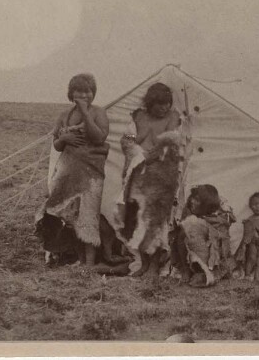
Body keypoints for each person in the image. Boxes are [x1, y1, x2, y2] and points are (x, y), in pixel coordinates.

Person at [35, 73, 109, 267]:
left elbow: (99, 137)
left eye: (89, 91)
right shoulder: (63, 116)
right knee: (69, 216)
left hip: (91, 174)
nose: (85, 95)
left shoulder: (99, 113)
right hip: (67, 173)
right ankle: (78, 258)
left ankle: (90, 264)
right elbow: (57, 146)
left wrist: (85, 112)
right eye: (80, 91)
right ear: (71, 93)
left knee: (88, 215)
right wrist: (64, 139)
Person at [116, 82, 182, 277]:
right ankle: (144, 264)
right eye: (159, 104)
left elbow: (170, 142)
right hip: (138, 175)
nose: (164, 108)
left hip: (160, 176)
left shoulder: (173, 117)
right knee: (138, 220)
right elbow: (127, 141)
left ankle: (154, 266)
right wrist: (138, 154)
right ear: (150, 103)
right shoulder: (138, 117)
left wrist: (150, 155)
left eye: (167, 103)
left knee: (155, 222)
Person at [171, 185, 236, 287]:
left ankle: (203, 272)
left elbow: (223, 246)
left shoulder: (219, 219)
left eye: (197, 200)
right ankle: (186, 269)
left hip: (212, 258)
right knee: (184, 231)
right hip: (191, 255)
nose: (192, 201)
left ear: (206, 205)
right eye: (193, 197)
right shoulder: (188, 211)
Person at [235, 191, 259, 281]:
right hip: (253, 243)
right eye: (254, 204)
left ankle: (257, 278)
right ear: (250, 206)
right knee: (251, 258)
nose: (257, 207)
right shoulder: (250, 219)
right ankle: (247, 275)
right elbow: (247, 234)